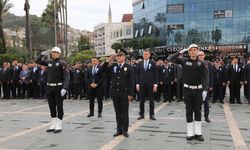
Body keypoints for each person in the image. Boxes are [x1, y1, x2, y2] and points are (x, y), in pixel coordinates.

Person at [168, 44, 208, 141]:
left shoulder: (202, 63)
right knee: (189, 110)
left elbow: (205, 78)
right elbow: (170, 58)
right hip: (187, 90)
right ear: (188, 52)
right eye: (191, 50)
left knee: (198, 110)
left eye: (195, 50)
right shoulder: (184, 61)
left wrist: (205, 90)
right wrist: (181, 51)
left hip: (198, 90)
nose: (193, 52)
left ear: (197, 51)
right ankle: (190, 133)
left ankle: (198, 133)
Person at [36, 47, 70, 133]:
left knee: (59, 106)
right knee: (51, 106)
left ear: (59, 54)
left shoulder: (62, 63)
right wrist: (42, 54)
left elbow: (66, 76)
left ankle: (59, 124)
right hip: (49, 87)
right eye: (53, 52)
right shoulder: (49, 62)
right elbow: (38, 61)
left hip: (59, 87)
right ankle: (53, 123)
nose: (54, 53)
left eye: (56, 52)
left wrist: (65, 88)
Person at [103, 51, 135, 137]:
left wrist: (131, 94)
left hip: (124, 93)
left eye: (121, 56)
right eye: (118, 56)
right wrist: (108, 60)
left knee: (124, 112)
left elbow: (132, 82)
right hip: (115, 93)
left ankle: (125, 130)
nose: (119, 57)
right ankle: (119, 129)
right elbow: (103, 69)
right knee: (117, 112)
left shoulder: (128, 67)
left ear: (124, 57)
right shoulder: (113, 66)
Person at [136, 49, 158, 120]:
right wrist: (137, 84)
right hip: (142, 84)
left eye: (146, 54)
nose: (145, 55)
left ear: (149, 55)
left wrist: (155, 84)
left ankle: (152, 114)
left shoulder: (153, 63)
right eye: (144, 54)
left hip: (150, 84)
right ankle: (141, 114)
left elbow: (155, 74)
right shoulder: (139, 63)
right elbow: (137, 74)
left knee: (151, 100)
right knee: (141, 100)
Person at [197, 51, 213, 123]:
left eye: (201, 55)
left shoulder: (208, 64)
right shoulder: (195, 63)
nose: (200, 56)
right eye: (199, 55)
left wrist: (210, 85)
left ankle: (206, 116)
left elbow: (211, 75)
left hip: (205, 86)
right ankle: (198, 116)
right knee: (198, 103)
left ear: (204, 56)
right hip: (197, 86)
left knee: (206, 103)